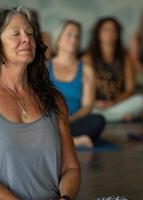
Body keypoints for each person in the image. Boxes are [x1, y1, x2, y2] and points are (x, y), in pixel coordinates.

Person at [0, 7, 80, 200]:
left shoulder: (55, 99)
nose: (26, 39)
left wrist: (65, 198)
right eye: (16, 33)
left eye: (30, 33)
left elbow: (70, 168)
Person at [49, 20, 105, 148]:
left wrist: (70, 119)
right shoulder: (45, 67)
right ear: (58, 39)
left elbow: (87, 107)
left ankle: (57, 142)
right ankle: (75, 141)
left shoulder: (86, 70)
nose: (73, 39)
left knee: (98, 120)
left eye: (77, 36)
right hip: (50, 120)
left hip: (73, 121)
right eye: (69, 34)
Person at [83, 17, 143, 122]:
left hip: (118, 104)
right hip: (95, 105)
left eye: (113, 30)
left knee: (142, 101)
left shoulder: (125, 58)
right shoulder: (88, 57)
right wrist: (94, 102)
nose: (110, 33)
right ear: (98, 33)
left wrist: (114, 102)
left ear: (118, 34)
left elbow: (130, 89)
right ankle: (117, 117)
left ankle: (105, 118)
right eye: (105, 29)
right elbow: (83, 87)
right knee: (83, 107)